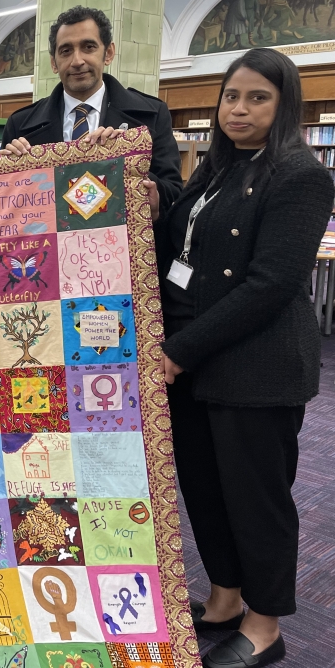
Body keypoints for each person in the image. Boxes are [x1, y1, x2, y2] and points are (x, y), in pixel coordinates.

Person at [156, 48, 333, 668]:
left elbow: (270, 285)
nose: (239, 108)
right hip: (196, 363)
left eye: (258, 97)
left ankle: (265, 627)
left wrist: (178, 350)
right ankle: (225, 598)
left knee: (257, 499)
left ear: (284, 105)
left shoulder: (302, 176)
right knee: (206, 489)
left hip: (255, 366)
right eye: (232, 96)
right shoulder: (214, 168)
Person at [1, 6, 182, 219]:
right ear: (54, 62)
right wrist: (10, 173)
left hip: (121, 246)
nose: (77, 61)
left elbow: (173, 192)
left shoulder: (151, 115)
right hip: (52, 247)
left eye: (88, 47)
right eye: (66, 51)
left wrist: (125, 162)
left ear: (108, 53)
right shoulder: (21, 125)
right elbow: (7, 208)